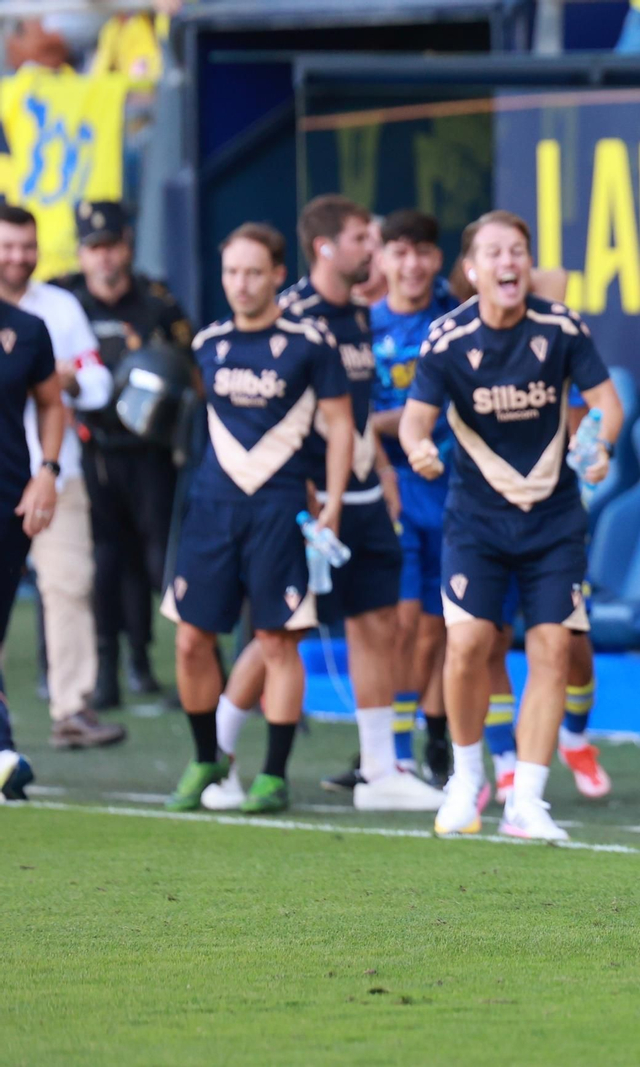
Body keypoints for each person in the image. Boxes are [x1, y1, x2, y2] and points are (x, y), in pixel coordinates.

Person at [206, 196, 442, 814]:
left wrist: (381, 471)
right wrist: (307, 490)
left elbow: (352, 417)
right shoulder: (293, 320)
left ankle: (379, 769)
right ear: (325, 249)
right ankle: (215, 757)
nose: (378, 249)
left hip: (363, 497)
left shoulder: (360, 314)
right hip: (306, 503)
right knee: (276, 634)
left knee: (376, 624)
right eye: (365, 238)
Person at [399, 209, 623, 841]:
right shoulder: (447, 339)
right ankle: (466, 781)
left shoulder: (561, 328)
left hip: (553, 520)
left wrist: (600, 443)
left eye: (518, 251)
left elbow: (605, 403)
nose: (508, 263)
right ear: (471, 269)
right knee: (469, 643)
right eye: (494, 252)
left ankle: (526, 798)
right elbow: (417, 419)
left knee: (553, 647)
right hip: (475, 520)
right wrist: (418, 447)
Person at [161, 222, 353, 814]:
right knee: (192, 639)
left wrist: (334, 508)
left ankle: (272, 775)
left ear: (276, 274)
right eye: (230, 273)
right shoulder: (208, 343)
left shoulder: (310, 342)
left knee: (276, 640)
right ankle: (205, 759)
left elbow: (342, 425)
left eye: (252, 272)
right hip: (212, 508)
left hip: (280, 509)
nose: (240, 284)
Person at [53, 199, 194, 710]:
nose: (105, 259)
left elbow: (190, 367)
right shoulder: (66, 302)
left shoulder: (157, 303)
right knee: (105, 563)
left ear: (128, 247)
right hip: (91, 452)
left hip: (151, 452)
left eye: (112, 246)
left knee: (162, 559)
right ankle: (108, 671)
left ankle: (190, 666)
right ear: (82, 254)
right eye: (95, 249)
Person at [0, 205, 123, 750]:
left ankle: (72, 706)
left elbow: (95, 383)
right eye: (7, 246)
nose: (18, 257)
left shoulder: (57, 309)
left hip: (56, 474)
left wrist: (65, 379)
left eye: (26, 246)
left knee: (68, 587)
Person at [368, 209, 457, 786]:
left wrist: (390, 422)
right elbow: (343, 413)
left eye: (422, 251)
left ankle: (433, 732)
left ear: (439, 259)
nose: (411, 264)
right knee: (396, 622)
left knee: (436, 627)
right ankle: (388, 748)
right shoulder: (361, 324)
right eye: (398, 252)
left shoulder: (457, 318)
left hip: (449, 488)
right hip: (388, 493)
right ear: (380, 260)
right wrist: (384, 447)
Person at [0, 295, 68, 800]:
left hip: (9, 499)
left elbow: (50, 403)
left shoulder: (27, 328)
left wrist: (47, 470)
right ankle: (3, 752)